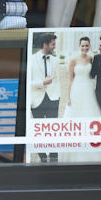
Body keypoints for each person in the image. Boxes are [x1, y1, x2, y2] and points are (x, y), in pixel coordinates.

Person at [28, 32, 60, 161]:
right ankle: (42, 157)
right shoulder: (31, 59)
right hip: (37, 100)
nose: (54, 47)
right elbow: (28, 83)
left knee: (54, 130)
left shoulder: (56, 60)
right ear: (45, 44)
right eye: (53, 44)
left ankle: (54, 157)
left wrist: (58, 96)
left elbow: (57, 80)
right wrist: (43, 83)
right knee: (39, 131)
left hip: (53, 99)